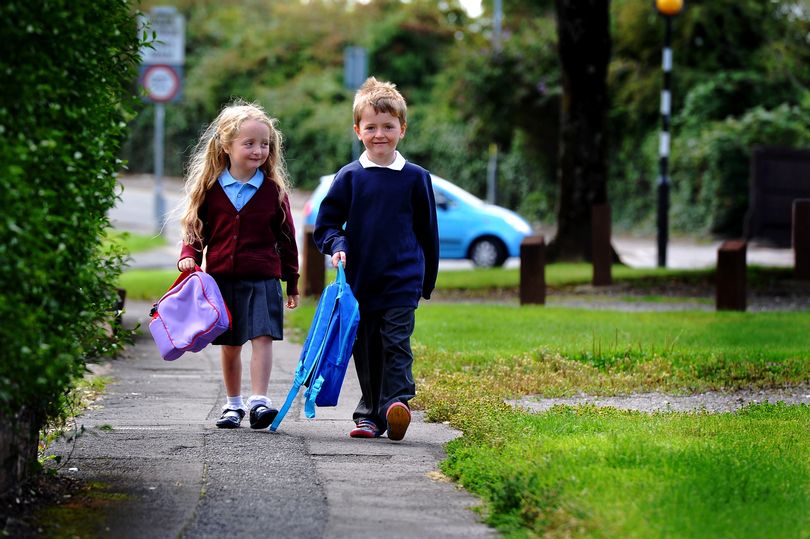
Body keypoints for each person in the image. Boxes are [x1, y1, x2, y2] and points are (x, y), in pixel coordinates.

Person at [314, 77, 439, 441]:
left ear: (402, 128)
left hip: (401, 280)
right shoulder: (349, 177)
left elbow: (428, 232)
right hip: (360, 282)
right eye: (371, 127)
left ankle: (396, 403)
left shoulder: (417, 178)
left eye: (388, 126)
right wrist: (337, 243)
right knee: (366, 348)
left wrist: (425, 281)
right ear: (357, 130)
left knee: (396, 343)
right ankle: (369, 414)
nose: (380, 134)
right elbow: (327, 224)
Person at [178, 100, 300, 430]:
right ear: (226, 146)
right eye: (249, 143)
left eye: (264, 144)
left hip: (263, 279)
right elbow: (195, 228)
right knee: (230, 344)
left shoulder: (274, 191)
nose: (259, 150)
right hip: (221, 281)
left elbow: (288, 239)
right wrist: (189, 253)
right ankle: (233, 405)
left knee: (262, 337)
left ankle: (260, 401)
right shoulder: (210, 190)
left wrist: (293, 282)